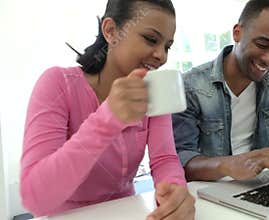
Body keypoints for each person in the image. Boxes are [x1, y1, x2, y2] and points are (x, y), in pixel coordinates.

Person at [20, 0, 195, 219]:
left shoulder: (153, 89)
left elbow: (164, 159)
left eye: (167, 46)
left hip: (127, 212)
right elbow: (36, 198)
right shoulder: (57, 84)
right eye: (151, 39)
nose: (162, 55)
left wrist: (175, 194)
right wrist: (108, 118)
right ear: (111, 31)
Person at [172, 0, 269, 182]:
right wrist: (230, 165)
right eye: (262, 45)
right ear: (237, 33)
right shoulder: (190, 86)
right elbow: (180, 161)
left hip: (266, 183)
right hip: (213, 190)